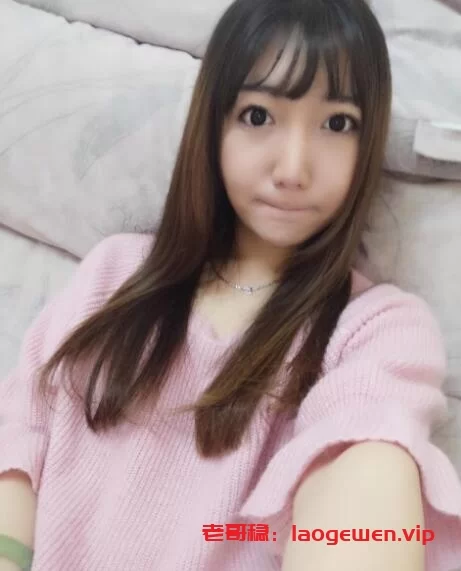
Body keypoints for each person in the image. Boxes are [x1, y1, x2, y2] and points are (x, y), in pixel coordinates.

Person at [0, 0, 460, 569]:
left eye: (337, 124)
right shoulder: (115, 272)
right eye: (259, 116)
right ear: (213, 122)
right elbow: (20, 435)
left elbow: (366, 470)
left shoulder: (375, 328)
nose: (293, 169)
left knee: (378, 458)